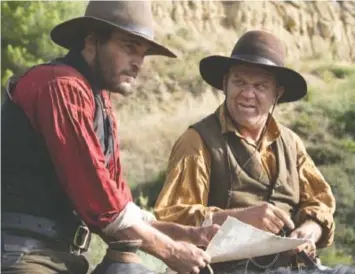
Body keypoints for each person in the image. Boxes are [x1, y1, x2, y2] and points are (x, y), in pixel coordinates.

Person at [1, 1, 219, 274]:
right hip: (22, 254)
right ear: (93, 41)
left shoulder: (99, 101)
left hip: (63, 257)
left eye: (143, 53)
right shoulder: (60, 86)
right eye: (129, 48)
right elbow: (102, 205)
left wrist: (184, 234)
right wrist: (170, 250)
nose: (138, 63)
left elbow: (119, 205)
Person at [155, 30, 336, 272]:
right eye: (239, 82)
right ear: (224, 85)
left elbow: (320, 203)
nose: (248, 94)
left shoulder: (291, 143)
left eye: (260, 86)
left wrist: (310, 231)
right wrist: (240, 218)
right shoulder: (197, 141)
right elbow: (171, 218)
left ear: (277, 93)